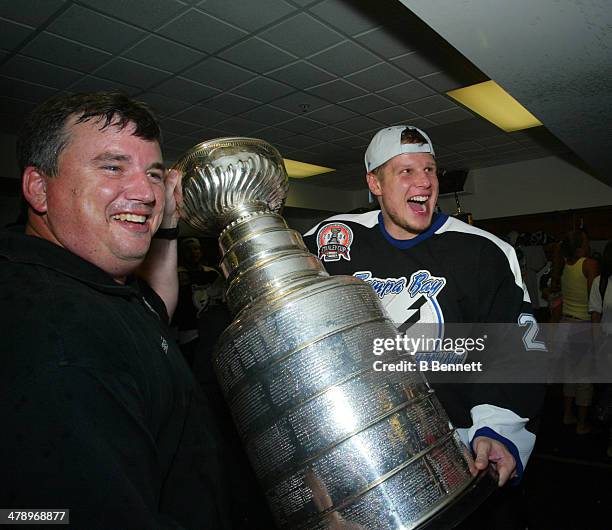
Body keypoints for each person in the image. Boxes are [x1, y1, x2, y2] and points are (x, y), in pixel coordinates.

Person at [0, 92, 231, 529]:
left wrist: (167, 227)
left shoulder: (92, 283)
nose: (146, 192)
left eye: (155, 174)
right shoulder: (56, 340)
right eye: (112, 167)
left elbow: (153, 310)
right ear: (38, 188)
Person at [303, 125, 544, 529]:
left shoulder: (484, 252)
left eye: (430, 170)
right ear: (373, 183)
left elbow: (516, 351)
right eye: (406, 171)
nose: (424, 182)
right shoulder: (335, 239)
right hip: (358, 453)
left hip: (457, 457)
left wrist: (497, 431)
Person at [559, 230, 599, 433]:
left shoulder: (566, 264)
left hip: (565, 323)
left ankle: (567, 415)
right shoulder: (589, 264)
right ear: (582, 244)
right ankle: (582, 424)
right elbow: (594, 297)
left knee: (569, 374)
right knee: (584, 377)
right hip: (582, 324)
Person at [173, 237, 225, 366]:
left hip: (212, 331)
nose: (193, 253)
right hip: (188, 334)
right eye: (188, 250)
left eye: (196, 249)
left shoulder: (212, 274)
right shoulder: (175, 275)